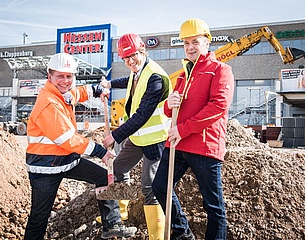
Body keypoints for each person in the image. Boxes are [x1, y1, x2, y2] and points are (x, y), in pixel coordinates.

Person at [24, 53, 137, 239]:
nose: (65, 81)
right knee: (39, 217)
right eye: (60, 76)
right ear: (49, 76)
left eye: (69, 76)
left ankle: (112, 225)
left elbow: (77, 93)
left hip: (66, 159)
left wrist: (97, 90)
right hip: (45, 167)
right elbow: (67, 139)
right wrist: (100, 152)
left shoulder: (62, 94)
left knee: (104, 178)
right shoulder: (48, 103)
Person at [152, 18, 234, 240]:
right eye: (186, 43)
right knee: (160, 187)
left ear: (207, 42)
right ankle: (183, 234)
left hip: (204, 146)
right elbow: (171, 112)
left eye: (195, 42)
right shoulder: (182, 74)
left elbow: (218, 107)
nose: (190, 47)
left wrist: (183, 129)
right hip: (177, 144)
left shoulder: (220, 70)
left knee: (213, 205)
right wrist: (168, 104)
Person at [100, 33, 172, 239]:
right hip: (138, 138)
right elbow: (129, 81)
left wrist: (115, 136)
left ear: (142, 51)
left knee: (150, 186)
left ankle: (156, 235)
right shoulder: (138, 71)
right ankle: (122, 213)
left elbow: (142, 115)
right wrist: (109, 85)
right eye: (126, 58)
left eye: (133, 56)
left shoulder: (155, 77)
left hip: (156, 140)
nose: (130, 61)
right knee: (119, 169)